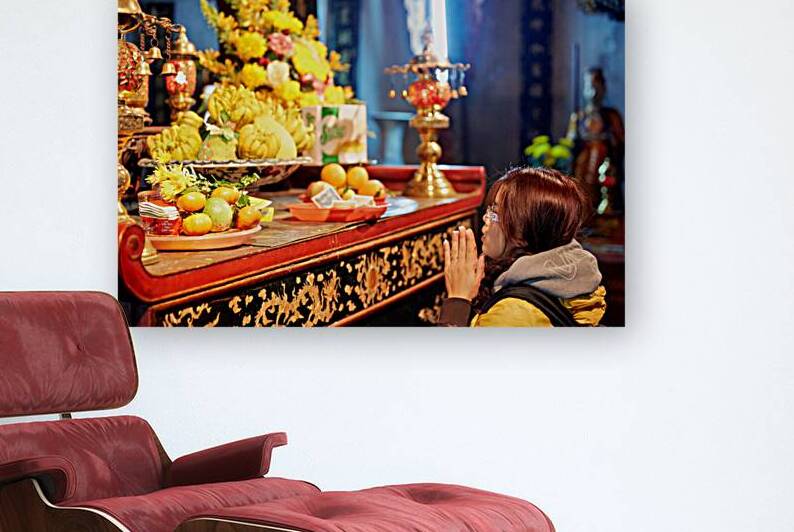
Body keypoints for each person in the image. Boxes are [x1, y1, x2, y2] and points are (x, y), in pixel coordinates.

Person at [439, 166, 606, 327]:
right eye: (489, 209)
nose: (486, 218)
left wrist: (458, 299)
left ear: (524, 231)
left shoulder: (511, 315)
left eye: (495, 213)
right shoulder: (572, 279)